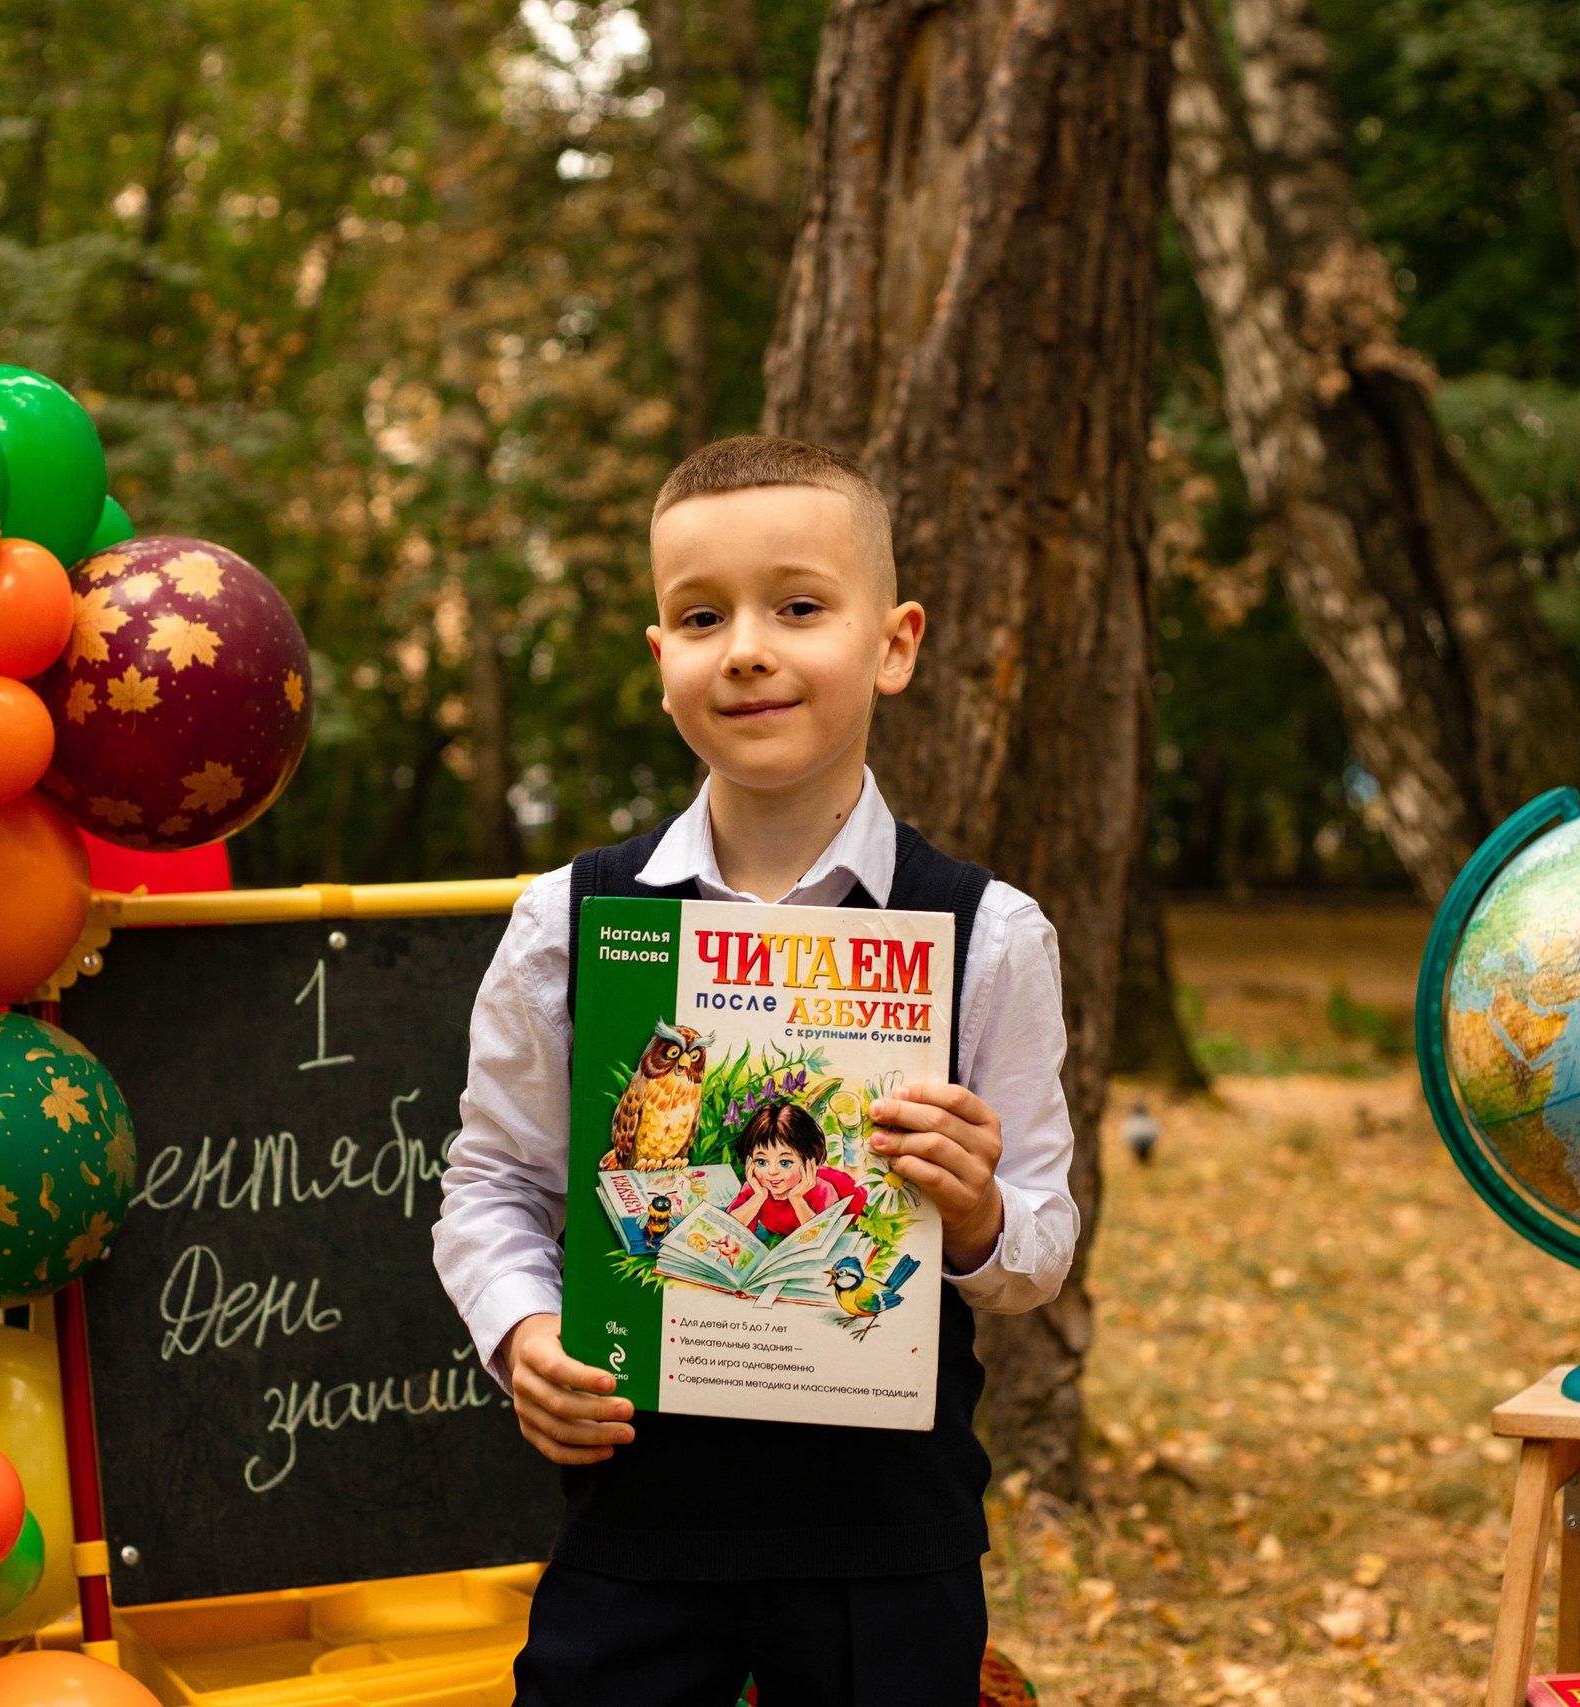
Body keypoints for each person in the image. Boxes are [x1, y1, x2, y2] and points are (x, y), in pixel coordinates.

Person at [431, 434, 1077, 1707]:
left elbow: (1041, 1243)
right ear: (659, 658)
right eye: (699, 616)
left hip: (884, 1543)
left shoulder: (987, 934)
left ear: (893, 643)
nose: (744, 649)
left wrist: (976, 1212)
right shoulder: (571, 921)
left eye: (797, 607)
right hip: (636, 1524)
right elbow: (495, 1180)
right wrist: (524, 1332)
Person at [725, 1099, 869, 1241]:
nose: (772, 1172)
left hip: (849, 1196)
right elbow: (728, 1228)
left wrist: (797, 1199)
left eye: (784, 1163)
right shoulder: (755, 1189)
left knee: (853, 1169)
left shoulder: (822, 1191)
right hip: (802, 1169)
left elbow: (822, 1238)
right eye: (761, 1162)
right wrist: (757, 1198)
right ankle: (816, 1121)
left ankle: (851, 1133)